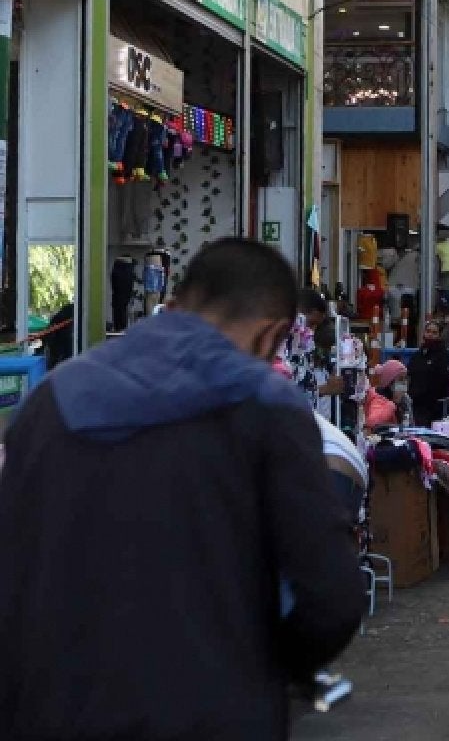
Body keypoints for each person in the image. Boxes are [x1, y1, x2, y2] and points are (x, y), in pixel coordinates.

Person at [0, 239, 363, 739]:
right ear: (271, 335)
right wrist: (270, 668)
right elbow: (332, 596)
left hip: (52, 712)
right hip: (210, 713)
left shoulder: (49, 402)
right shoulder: (268, 408)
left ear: (174, 307)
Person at [298, 288, 344, 417]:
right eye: (311, 324)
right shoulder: (281, 350)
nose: (312, 331)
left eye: (316, 326)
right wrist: (324, 389)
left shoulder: (304, 349)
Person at [407, 320, 449, 426]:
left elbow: (443, 380)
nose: (430, 335)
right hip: (416, 406)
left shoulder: (444, 356)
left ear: (439, 335)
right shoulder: (417, 355)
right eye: (428, 331)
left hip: (435, 408)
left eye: (434, 332)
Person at [364, 358, 410, 429]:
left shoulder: (405, 399)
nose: (404, 383)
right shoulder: (377, 399)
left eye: (405, 378)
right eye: (400, 379)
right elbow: (372, 422)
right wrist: (393, 404)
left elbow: (410, 426)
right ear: (389, 383)